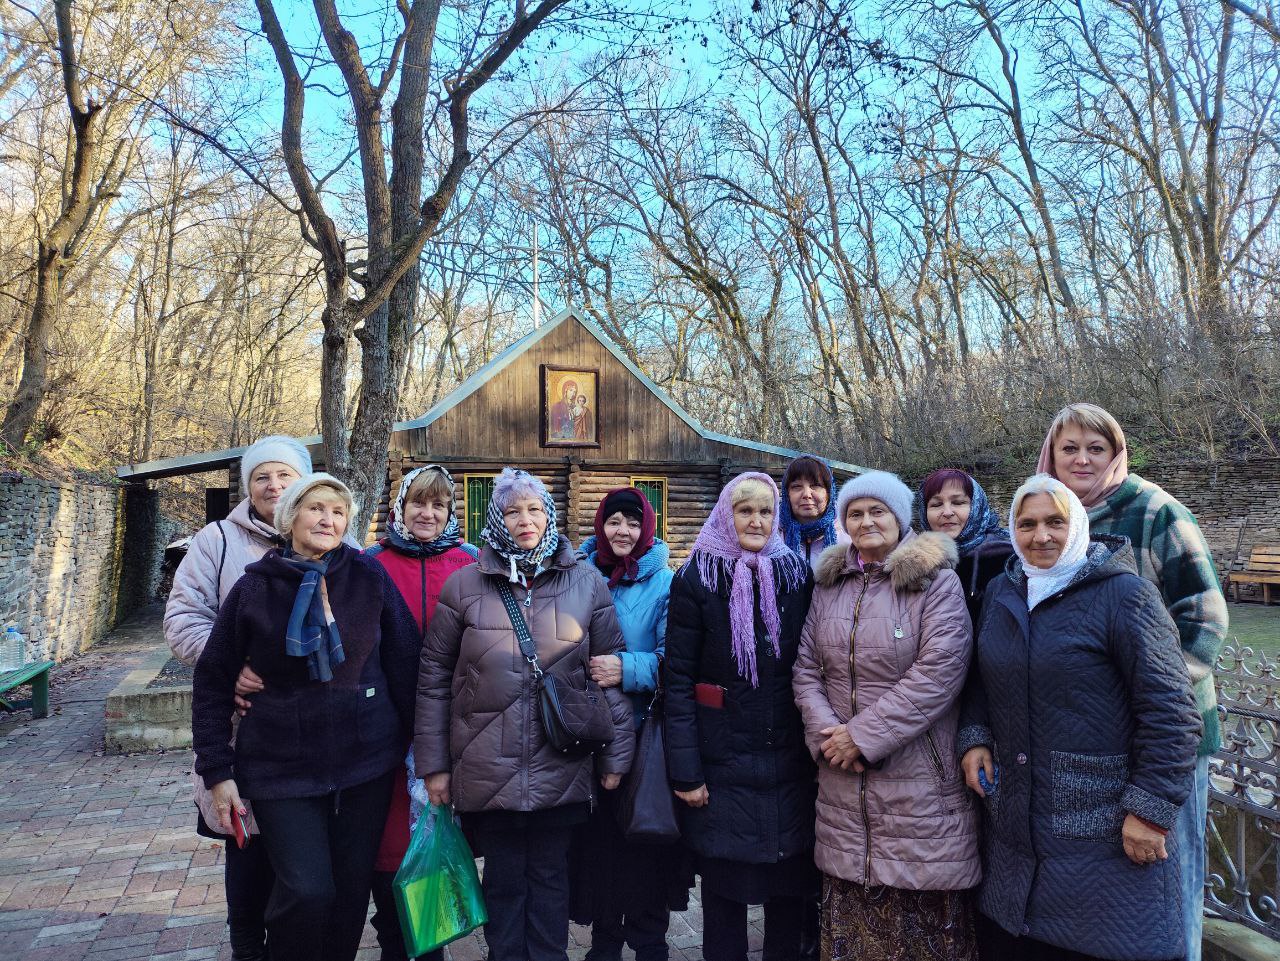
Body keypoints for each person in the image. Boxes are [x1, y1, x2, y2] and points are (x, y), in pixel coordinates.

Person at [958, 474, 1200, 961]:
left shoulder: (1125, 596)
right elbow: (983, 675)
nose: (1041, 536)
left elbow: (1172, 711)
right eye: (1027, 524)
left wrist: (1149, 811)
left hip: (1104, 830)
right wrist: (975, 735)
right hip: (1016, 828)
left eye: (1055, 522)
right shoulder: (1004, 591)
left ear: (1079, 527)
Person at [192, 473, 422, 961]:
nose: (327, 520)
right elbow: (212, 678)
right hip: (281, 767)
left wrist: (428, 751)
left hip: (365, 765)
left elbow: (406, 663)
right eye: (316, 508)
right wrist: (217, 770)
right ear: (290, 517)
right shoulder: (254, 588)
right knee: (307, 889)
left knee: (349, 893)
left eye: (338, 512)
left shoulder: (369, 577)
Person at [414, 468, 636, 961]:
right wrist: (434, 766)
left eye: (535, 509)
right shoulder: (464, 585)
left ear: (549, 514)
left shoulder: (585, 582)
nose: (525, 520)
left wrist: (616, 759)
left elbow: (609, 671)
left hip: (562, 762)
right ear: (497, 519)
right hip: (487, 766)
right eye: (512, 511)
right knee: (505, 881)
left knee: (552, 879)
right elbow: (433, 680)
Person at [1037, 402, 1227, 961]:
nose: (1082, 459)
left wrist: (1155, 692)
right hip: (1092, 737)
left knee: (1171, 881)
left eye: (1096, 448)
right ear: (1051, 455)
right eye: (1070, 448)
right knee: (1119, 895)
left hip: (1168, 736)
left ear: (1116, 454)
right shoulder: (1049, 516)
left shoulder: (1155, 512)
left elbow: (1205, 615)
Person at [792, 469, 980, 961]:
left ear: (899, 518)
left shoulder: (935, 582)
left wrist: (862, 737)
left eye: (878, 511)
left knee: (921, 930)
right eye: (855, 513)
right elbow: (806, 668)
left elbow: (940, 672)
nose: (867, 521)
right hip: (843, 780)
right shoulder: (830, 585)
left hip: (917, 781)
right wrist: (829, 737)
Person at [164, 434, 311, 961]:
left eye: (284, 475)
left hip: (309, 729)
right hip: (242, 728)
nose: (273, 485)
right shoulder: (218, 541)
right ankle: (248, 948)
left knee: (304, 861)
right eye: (261, 477)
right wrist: (234, 667)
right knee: (248, 849)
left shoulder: (324, 529)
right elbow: (183, 619)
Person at [664, 472, 817, 961]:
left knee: (788, 894)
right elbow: (678, 680)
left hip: (789, 765)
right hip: (722, 766)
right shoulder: (698, 577)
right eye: (744, 511)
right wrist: (687, 773)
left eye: (765, 511)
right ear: (725, 516)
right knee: (725, 896)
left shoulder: (795, 575)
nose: (755, 521)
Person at [364, 465, 479, 961]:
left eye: (438, 505)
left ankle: (431, 936)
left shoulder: (471, 563)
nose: (427, 514)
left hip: (452, 728)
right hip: (387, 730)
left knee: (438, 837)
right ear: (400, 508)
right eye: (418, 503)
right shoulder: (372, 563)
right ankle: (395, 938)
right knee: (391, 843)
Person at [570, 487, 680, 961]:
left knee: (644, 842)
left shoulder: (665, 583)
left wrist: (627, 668)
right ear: (600, 524)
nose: (624, 531)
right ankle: (604, 944)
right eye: (615, 520)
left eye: (634, 523)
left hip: (641, 737)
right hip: (585, 738)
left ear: (647, 528)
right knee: (599, 849)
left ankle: (650, 943)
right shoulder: (576, 576)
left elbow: (676, 660)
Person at [916, 468, 1014, 625]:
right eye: (936, 504)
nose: (947, 512)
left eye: (958, 502)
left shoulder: (1009, 561)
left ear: (976, 506)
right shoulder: (915, 565)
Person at [779, 454, 845, 568]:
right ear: (787, 494)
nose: (807, 494)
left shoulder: (849, 538)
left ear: (829, 493)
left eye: (815, 486)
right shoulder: (772, 536)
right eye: (797, 487)